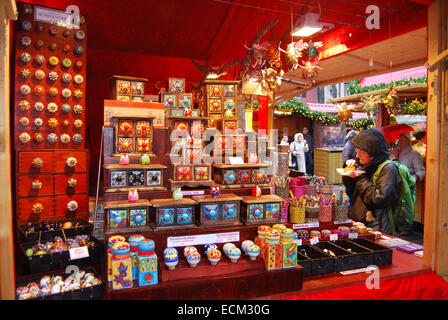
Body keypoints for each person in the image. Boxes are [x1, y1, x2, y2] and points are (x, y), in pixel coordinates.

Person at [342, 128, 402, 235]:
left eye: (361, 152)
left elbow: (377, 199)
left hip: (377, 225)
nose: (357, 155)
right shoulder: (365, 165)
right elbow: (351, 191)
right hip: (360, 222)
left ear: (373, 153)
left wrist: (359, 178)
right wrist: (348, 173)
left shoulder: (388, 169)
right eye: (357, 151)